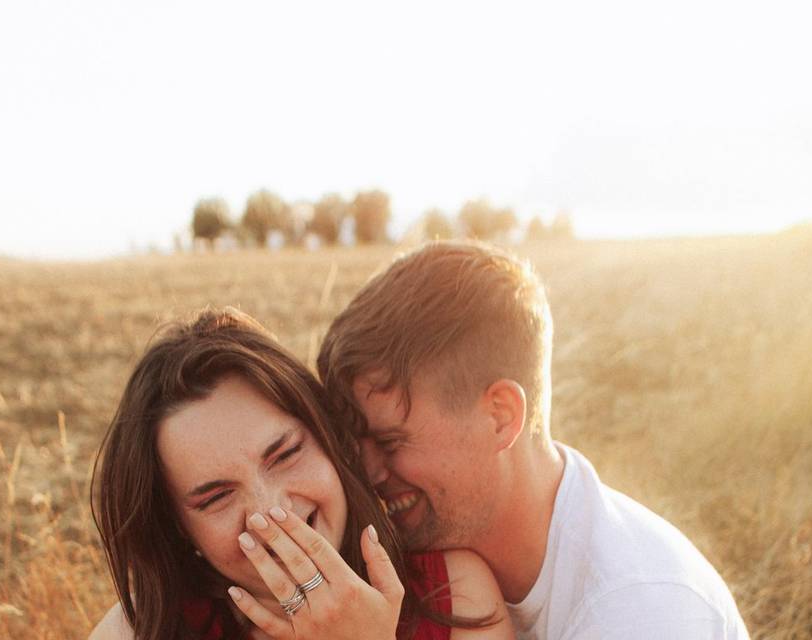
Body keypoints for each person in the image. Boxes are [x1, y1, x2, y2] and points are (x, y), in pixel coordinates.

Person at [317, 241, 749, 639]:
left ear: (500, 416)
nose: (368, 472)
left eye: (391, 442)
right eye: (355, 444)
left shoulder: (641, 611)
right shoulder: (427, 569)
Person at [88, 308, 514, 640]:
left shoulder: (455, 592)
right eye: (216, 497)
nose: (273, 511)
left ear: (329, 440)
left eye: (286, 454)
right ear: (180, 530)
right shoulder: (138, 631)